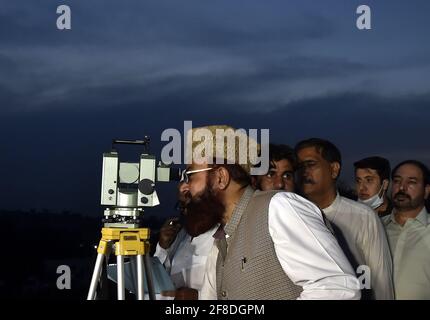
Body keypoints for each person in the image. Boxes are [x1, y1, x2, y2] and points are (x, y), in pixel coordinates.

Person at [183, 125, 360, 300]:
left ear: (220, 177)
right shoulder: (220, 242)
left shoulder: (279, 207)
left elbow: (338, 288)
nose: (186, 186)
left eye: (190, 176)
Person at [295, 138, 394, 300]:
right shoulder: (294, 216)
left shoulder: (363, 217)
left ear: (334, 169)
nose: (303, 172)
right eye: (299, 167)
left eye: (310, 164)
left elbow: (380, 281)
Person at [153, 182, 217, 300]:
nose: (185, 212)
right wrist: (163, 247)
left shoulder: (221, 237)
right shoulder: (182, 236)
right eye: (182, 206)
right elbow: (158, 284)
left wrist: (199, 297)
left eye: (190, 206)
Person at [382, 160, 430, 299]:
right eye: (397, 181)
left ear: (426, 191)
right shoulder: (375, 228)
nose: (402, 187)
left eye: (412, 182)